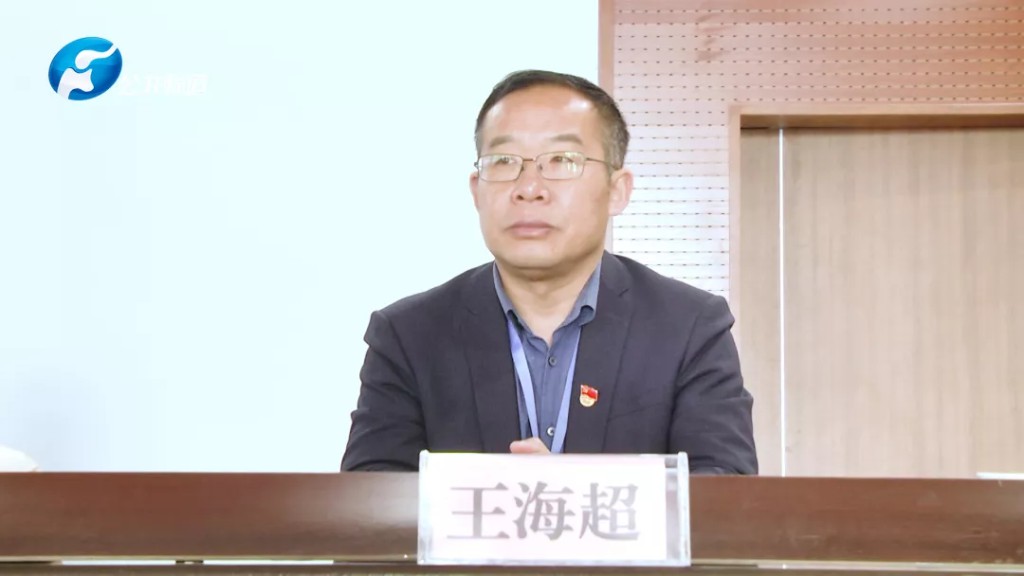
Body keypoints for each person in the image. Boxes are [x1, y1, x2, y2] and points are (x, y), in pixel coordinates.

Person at [341, 70, 757, 474]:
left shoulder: (687, 327)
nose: (529, 188)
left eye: (562, 160)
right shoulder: (409, 335)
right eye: (503, 161)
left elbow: (725, 490)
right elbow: (369, 501)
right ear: (476, 191)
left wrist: (569, 492)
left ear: (617, 191)